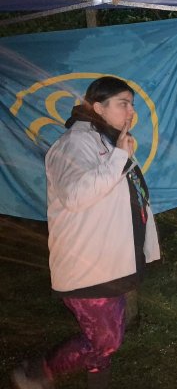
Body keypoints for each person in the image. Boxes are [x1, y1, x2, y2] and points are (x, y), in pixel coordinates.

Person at [11, 76, 161, 389]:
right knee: (106, 340)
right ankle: (40, 371)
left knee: (105, 338)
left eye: (132, 104)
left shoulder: (109, 141)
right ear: (97, 107)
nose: (131, 111)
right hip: (88, 265)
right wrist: (119, 156)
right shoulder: (75, 143)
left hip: (111, 261)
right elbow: (75, 195)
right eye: (123, 103)